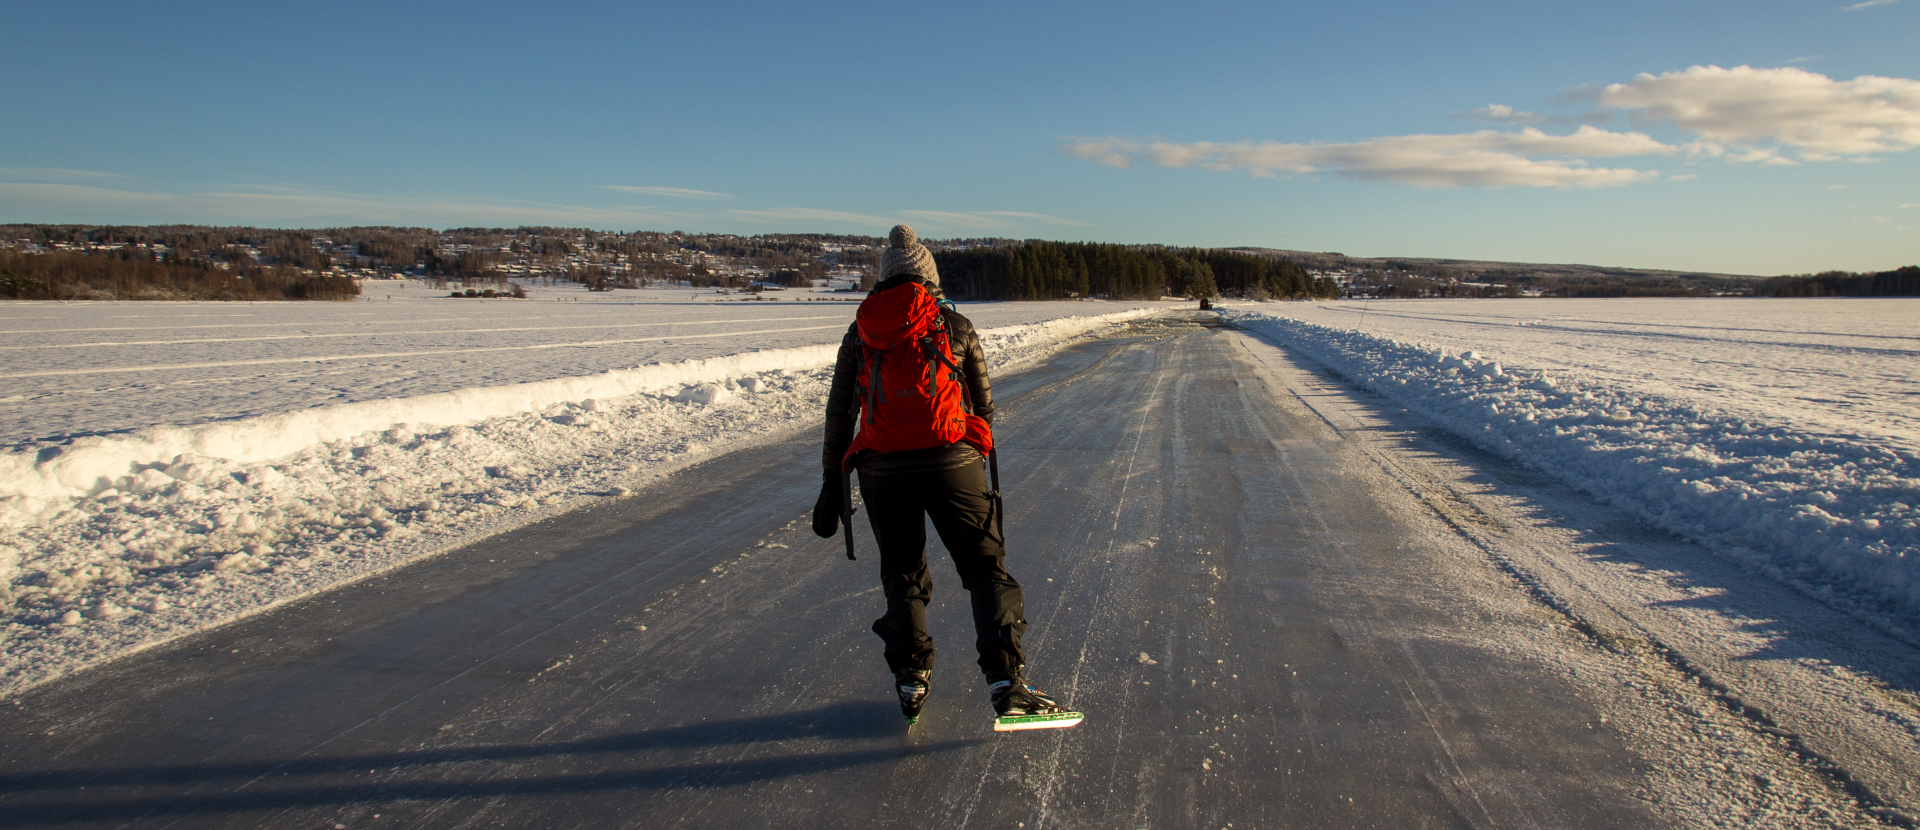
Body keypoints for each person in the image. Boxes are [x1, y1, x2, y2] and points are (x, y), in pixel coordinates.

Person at [813, 225, 1069, 726]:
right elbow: (985, 408)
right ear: (929, 277)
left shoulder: (860, 331)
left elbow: (839, 411)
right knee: (984, 569)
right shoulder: (954, 324)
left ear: (884, 279)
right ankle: (1006, 681)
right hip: (953, 463)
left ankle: (911, 676)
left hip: (881, 468)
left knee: (903, 571)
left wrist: (830, 481)